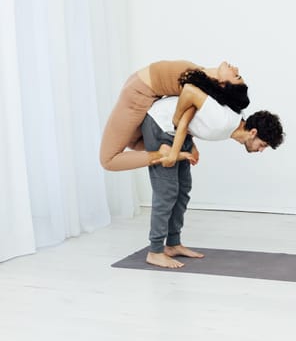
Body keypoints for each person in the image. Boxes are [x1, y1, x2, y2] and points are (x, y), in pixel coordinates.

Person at [141, 95, 285, 268]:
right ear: (253, 133)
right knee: (167, 191)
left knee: (183, 191)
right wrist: (173, 153)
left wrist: (190, 144)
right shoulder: (222, 123)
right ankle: (155, 251)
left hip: (180, 131)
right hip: (161, 125)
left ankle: (172, 244)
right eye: (262, 145)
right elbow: (190, 98)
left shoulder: (232, 122)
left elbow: (194, 115)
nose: (261, 150)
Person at [99, 60, 249, 171]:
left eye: (236, 75)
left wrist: (179, 148)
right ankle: (163, 150)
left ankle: (160, 154)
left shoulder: (197, 88)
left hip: (137, 96)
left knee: (108, 160)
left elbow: (184, 120)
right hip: (139, 92)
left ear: (223, 84)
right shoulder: (202, 77)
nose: (235, 68)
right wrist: (189, 145)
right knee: (134, 142)